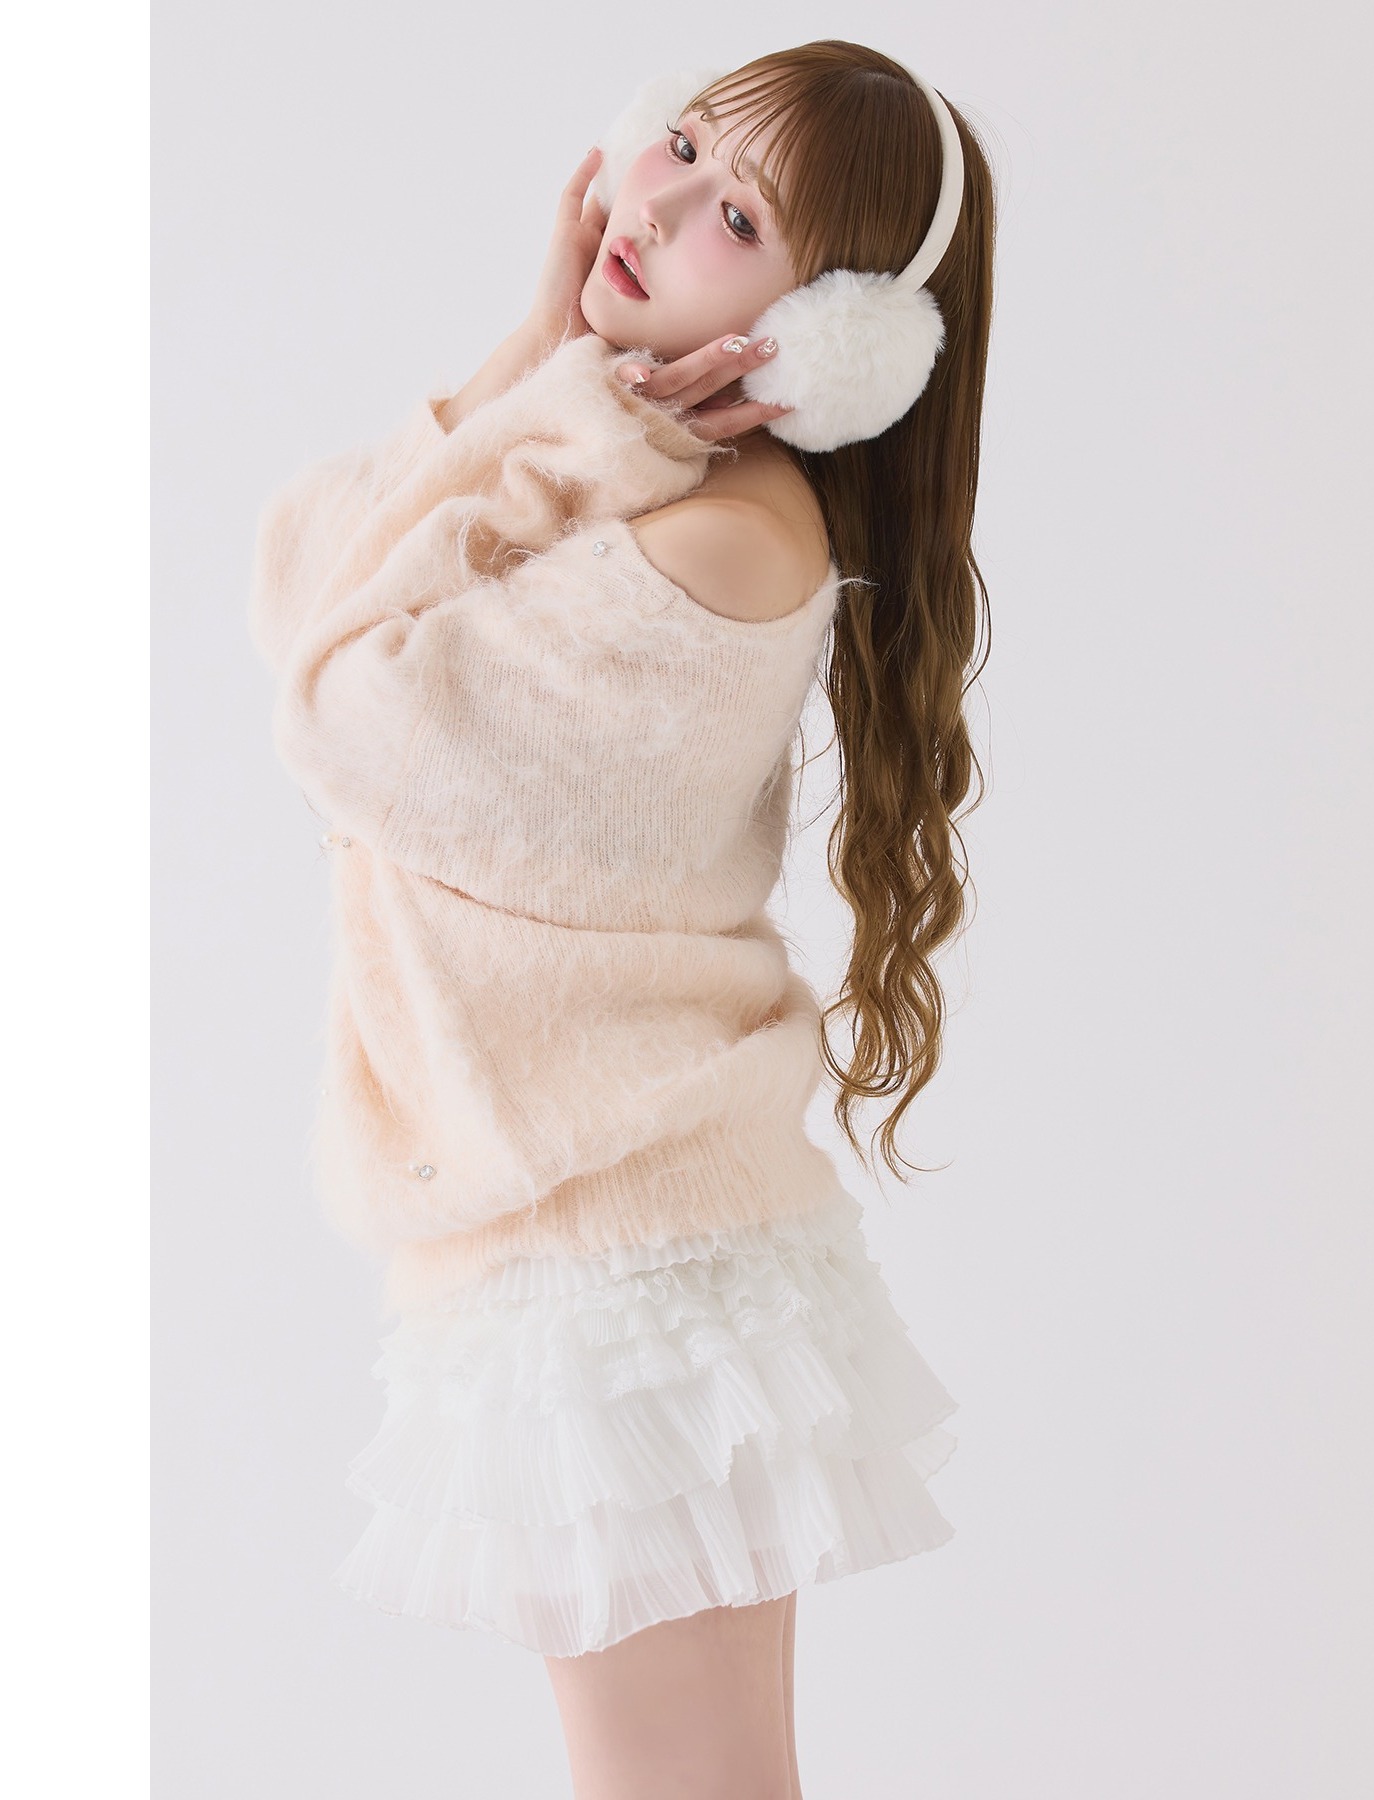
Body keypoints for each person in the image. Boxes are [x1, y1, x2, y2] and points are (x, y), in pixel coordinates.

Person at [246, 38, 996, 1800]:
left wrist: (560, 415)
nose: (652, 207)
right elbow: (301, 569)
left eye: (736, 216)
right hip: (583, 1245)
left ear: (830, 338)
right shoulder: (646, 470)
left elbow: (335, 703)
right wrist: (536, 356)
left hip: (625, 1266)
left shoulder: (719, 546)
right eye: (681, 143)